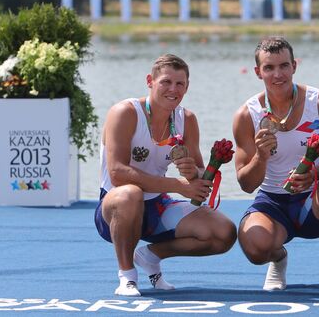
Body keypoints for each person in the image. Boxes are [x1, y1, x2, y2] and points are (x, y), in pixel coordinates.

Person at [95, 54, 237, 297]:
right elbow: (117, 173)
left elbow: (201, 174)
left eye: (180, 84)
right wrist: (177, 185)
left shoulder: (187, 119)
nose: (173, 89)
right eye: (166, 82)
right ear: (150, 81)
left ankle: (151, 255)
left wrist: (195, 174)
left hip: (157, 207)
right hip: (115, 209)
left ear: (187, 87)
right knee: (130, 194)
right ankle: (127, 276)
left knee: (224, 233)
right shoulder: (125, 112)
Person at [232, 37, 319, 298]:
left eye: (283, 66)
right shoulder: (247, 115)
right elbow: (246, 184)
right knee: (256, 248)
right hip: (273, 202)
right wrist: (260, 156)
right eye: (269, 68)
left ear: (294, 66)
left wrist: (315, 174)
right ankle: (278, 259)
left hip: (313, 202)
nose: (277, 74)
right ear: (258, 72)